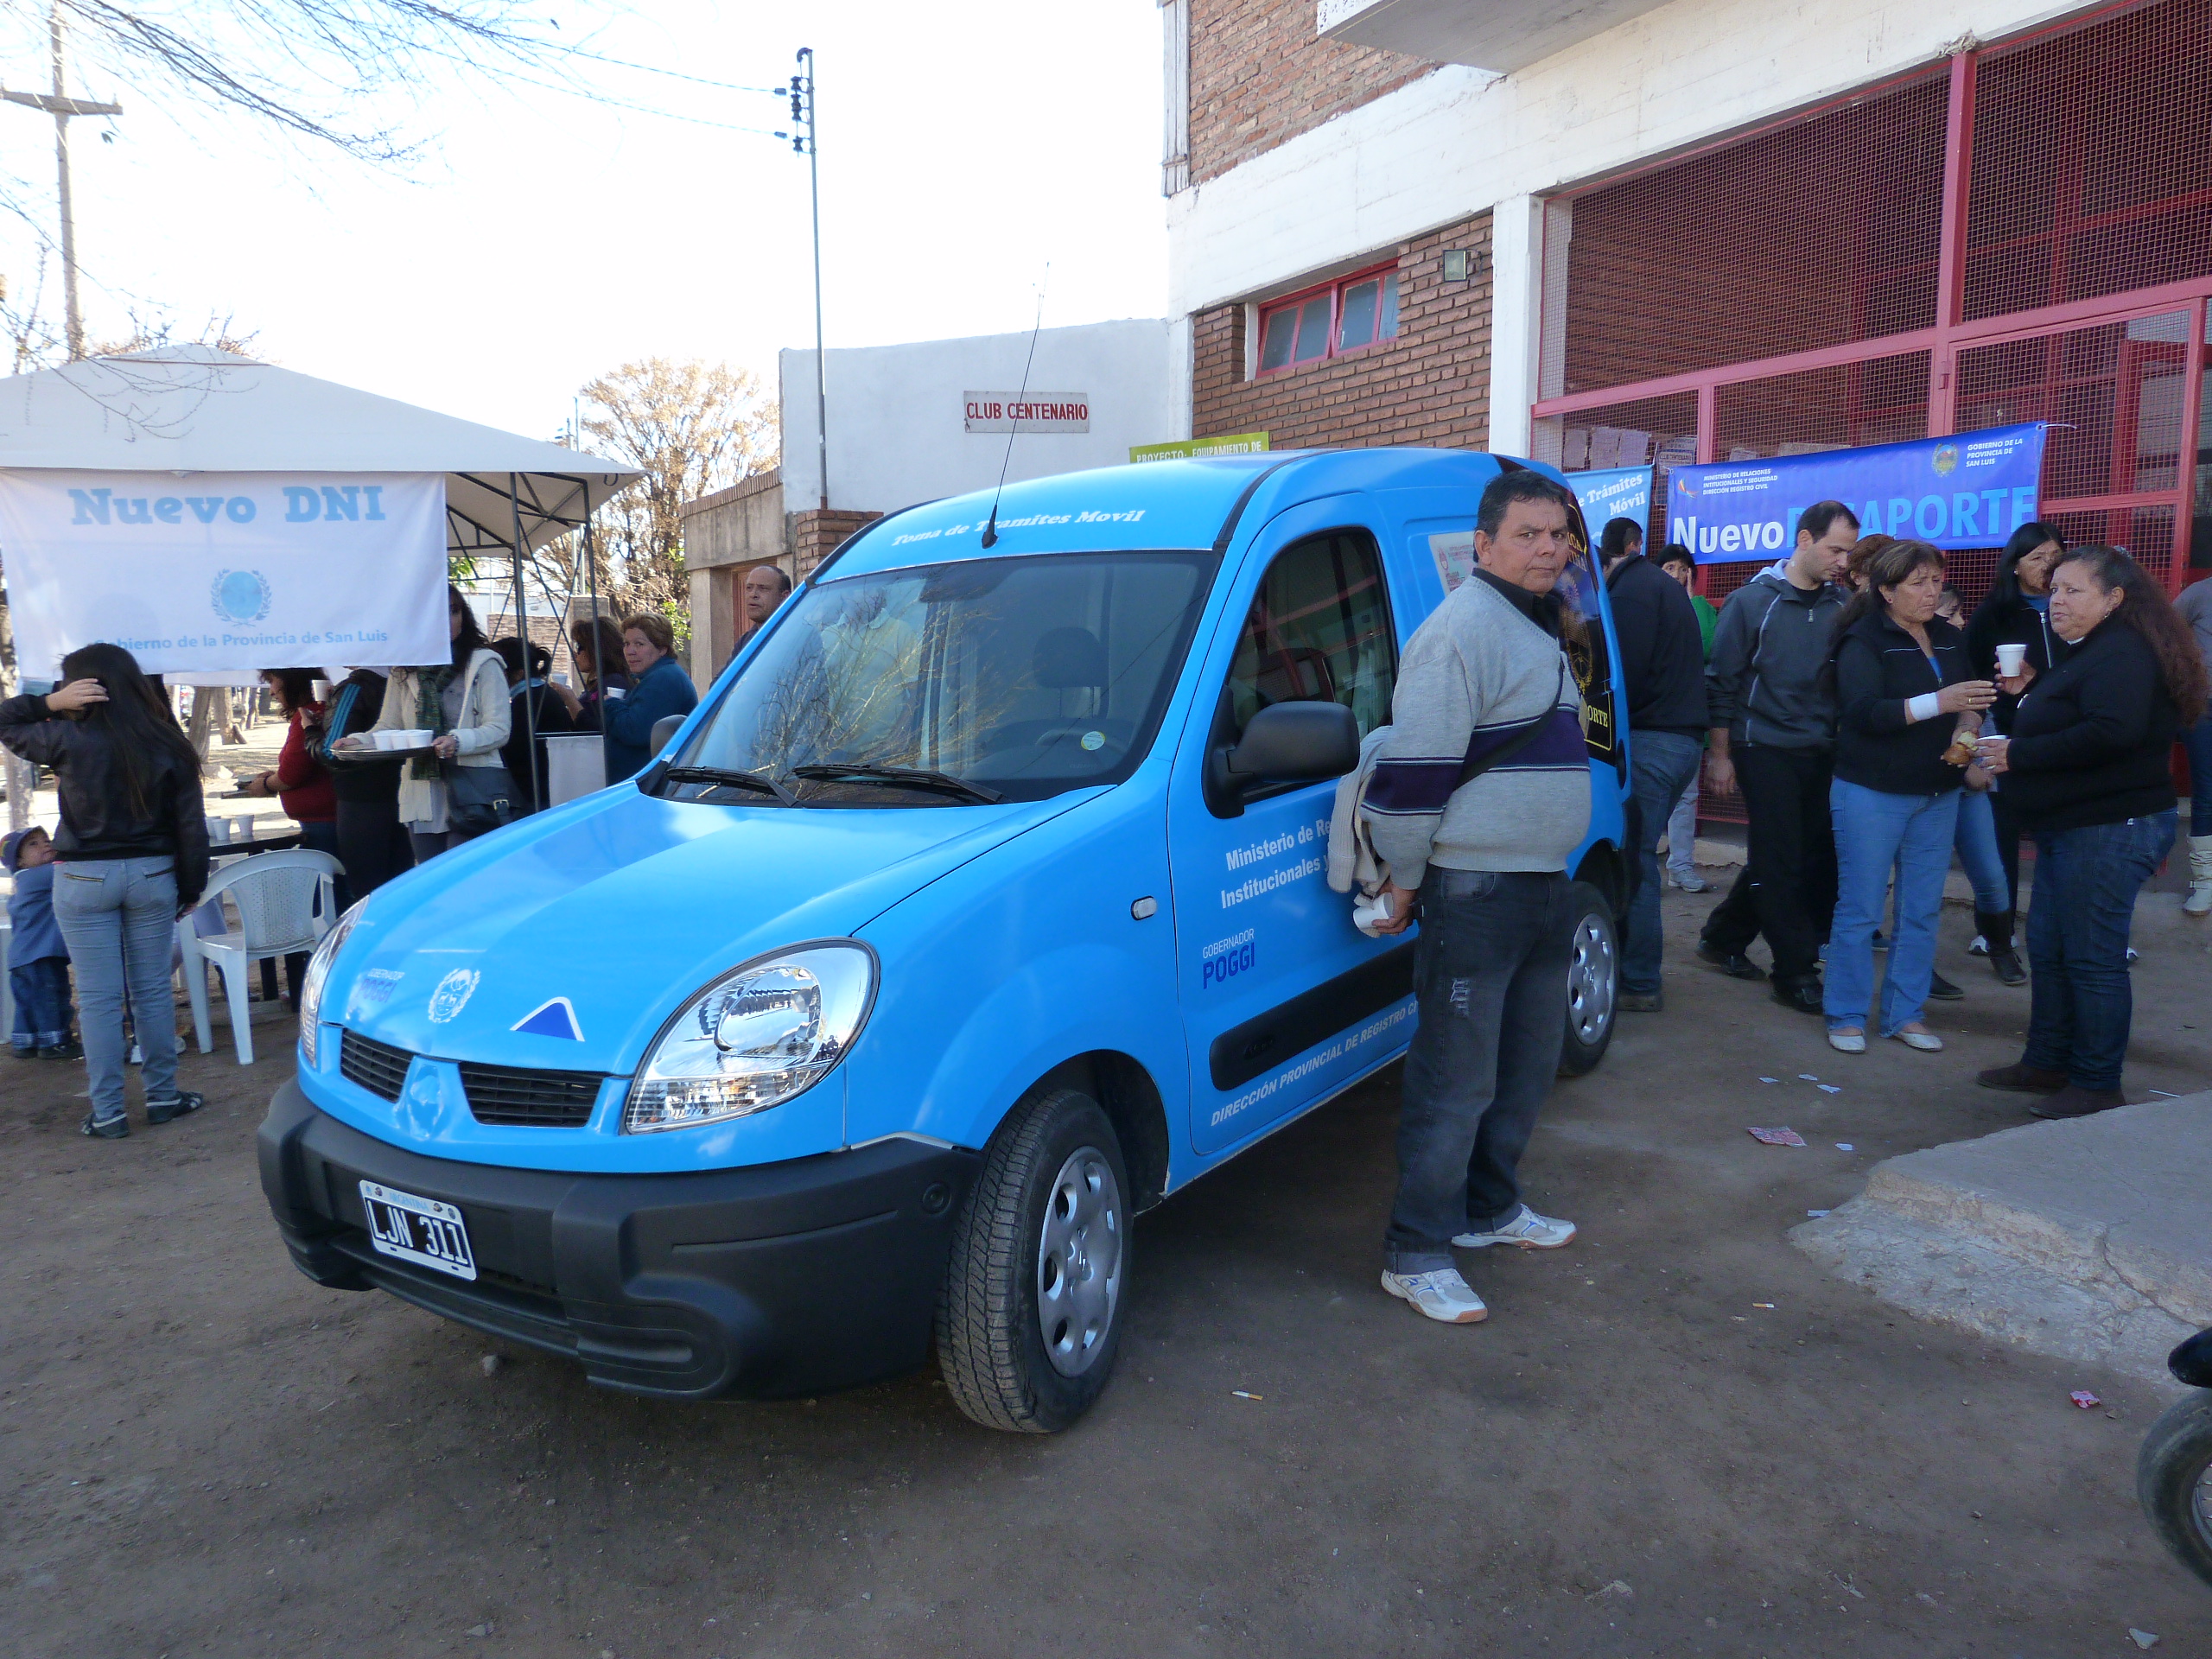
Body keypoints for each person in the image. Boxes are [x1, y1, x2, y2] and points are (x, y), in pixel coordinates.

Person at [1361, 469, 1590, 1326]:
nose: (1547, 549)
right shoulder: (1458, 632)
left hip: (1538, 884)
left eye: (1557, 535)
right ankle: (1416, 1252)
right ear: (1483, 545)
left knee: (1524, 1067)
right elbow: (1413, 776)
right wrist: (1408, 880)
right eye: (1527, 534)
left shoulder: (1531, 625)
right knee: (1454, 1082)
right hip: (1477, 889)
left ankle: (1489, 1210)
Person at [1975, 545, 2207, 1117]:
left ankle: (2097, 1083)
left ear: (2114, 598)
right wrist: (2029, 692)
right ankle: (2048, 1062)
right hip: (2074, 825)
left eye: (2073, 590)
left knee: (2091, 957)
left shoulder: (2124, 651)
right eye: (2054, 589)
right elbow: (2074, 715)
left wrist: (2018, 753)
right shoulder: (2095, 650)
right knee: (2050, 948)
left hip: (2109, 828)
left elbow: (2112, 732)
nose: (2057, 600)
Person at [0, 642, 207, 1138]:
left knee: (96, 998)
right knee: (152, 991)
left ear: (80, 689)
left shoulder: (65, 737)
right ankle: (162, 1096)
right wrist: (191, 886)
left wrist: (49, 704)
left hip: (84, 877)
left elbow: (5, 720)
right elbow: (190, 826)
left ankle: (109, 1111)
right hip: (153, 875)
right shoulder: (166, 740)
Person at [1821, 540, 1995, 1056]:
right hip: (1871, 792)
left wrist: (1967, 729)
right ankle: (1847, 1014)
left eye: (1936, 581)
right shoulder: (1862, 639)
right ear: (1887, 591)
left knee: (1921, 910)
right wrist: (1938, 702)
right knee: (1861, 909)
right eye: (1919, 583)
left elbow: (1972, 697)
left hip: (1937, 792)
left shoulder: (1947, 635)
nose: (1931, 591)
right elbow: (1863, 714)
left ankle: (1905, 1013)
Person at [1698, 502, 1858, 1013]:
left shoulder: (1845, 605)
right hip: (1761, 745)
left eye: (1849, 552)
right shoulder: (1750, 603)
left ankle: (1723, 936)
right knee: (1784, 856)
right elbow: (1721, 684)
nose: (1842, 561)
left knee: (1795, 852)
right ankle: (1794, 971)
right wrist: (1719, 756)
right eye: (1835, 549)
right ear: (1805, 540)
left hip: (1822, 748)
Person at [1603, 519, 1707, 1011]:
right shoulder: (1659, 586)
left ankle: (1640, 981)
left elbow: (1625, 680)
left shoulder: (1630, 594)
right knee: (1639, 857)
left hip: (1653, 743)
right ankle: (1638, 976)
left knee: (1636, 862)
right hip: (1679, 742)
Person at [346, 584, 511, 861]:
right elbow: (388, 727)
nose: (449, 620)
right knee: (428, 879)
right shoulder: (404, 669)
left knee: (459, 881)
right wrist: (358, 741)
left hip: (474, 790)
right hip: (422, 794)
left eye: (455, 611)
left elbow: (499, 729)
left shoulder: (484, 663)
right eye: (439, 612)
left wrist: (457, 741)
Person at [1963, 521, 2065, 923]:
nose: (2049, 565)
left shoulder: (2071, 607)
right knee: (2001, 832)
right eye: (2037, 557)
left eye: (2056, 555)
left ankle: (2062, 921)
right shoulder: (1994, 613)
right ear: (2014, 567)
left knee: (2062, 832)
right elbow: (1969, 673)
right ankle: (1995, 928)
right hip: (2004, 731)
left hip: (2064, 733)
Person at [241, 667, 341, 1005]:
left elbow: (295, 771)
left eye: (273, 683)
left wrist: (267, 785)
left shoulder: (310, 716)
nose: (271, 691)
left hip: (325, 824)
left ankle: (315, 989)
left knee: (322, 911)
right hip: (322, 821)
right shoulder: (315, 714)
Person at [308, 667, 415, 899]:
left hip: (362, 799)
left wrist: (310, 732)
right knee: (401, 886)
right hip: (404, 792)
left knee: (367, 890)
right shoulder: (404, 680)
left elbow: (332, 751)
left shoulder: (356, 686)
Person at [1656, 543, 1716, 892]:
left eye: (1682, 569)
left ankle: (1681, 867)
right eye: (1669, 569)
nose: (1677, 576)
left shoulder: (1702, 609)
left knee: (1687, 797)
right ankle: (1642, 870)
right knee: (1650, 799)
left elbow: (1706, 645)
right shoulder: (1652, 607)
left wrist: (1694, 602)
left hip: (1690, 721)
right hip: (1656, 721)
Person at [4, 827, 78, 1059]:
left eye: (46, 840)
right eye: (33, 844)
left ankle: (26, 1041)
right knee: (52, 996)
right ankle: (55, 1041)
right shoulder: (41, 876)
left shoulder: (22, 881)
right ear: (20, 862)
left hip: (21, 957)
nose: (46, 845)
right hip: (42, 954)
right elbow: (72, 869)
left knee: (27, 1001)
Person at [2169, 519, 2212, 916]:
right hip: (2204, 713)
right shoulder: (2200, 593)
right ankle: (2204, 881)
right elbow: (2167, 634)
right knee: (2207, 793)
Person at [601, 612, 699, 783]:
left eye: (639, 644)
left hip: (650, 787)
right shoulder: (655, 677)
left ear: (662, 649)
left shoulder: (663, 680)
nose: (630, 651)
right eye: (626, 644)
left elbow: (636, 731)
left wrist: (612, 704)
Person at [493, 637, 575, 811]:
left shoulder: (527, 701)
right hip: (551, 787)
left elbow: (512, 749)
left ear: (518, 673)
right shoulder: (543, 693)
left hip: (537, 795)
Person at [550, 616, 632, 734]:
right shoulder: (600, 681)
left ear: (595, 649)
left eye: (579, 647)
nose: (575, 654)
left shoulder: (614, 682)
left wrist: (570, 700)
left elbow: (598, 730)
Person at [725, 563, 794, 670]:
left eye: (763, 589)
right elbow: (723, 682)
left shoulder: (798, 635)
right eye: (749, 588)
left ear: (784, 597)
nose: (753, 594)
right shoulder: (746, 640)